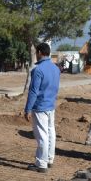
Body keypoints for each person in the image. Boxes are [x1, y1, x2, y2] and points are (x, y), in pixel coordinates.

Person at [24, 42, 60, 173]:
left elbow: (33, 91)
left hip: (40, 107)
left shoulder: (38, 70)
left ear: (39, 52)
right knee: (51, 133)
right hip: (51, 106)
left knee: (42, 136)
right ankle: (49, 159)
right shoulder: (55, 68)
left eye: (36, 53)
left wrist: (28, 109)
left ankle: (41, 163)